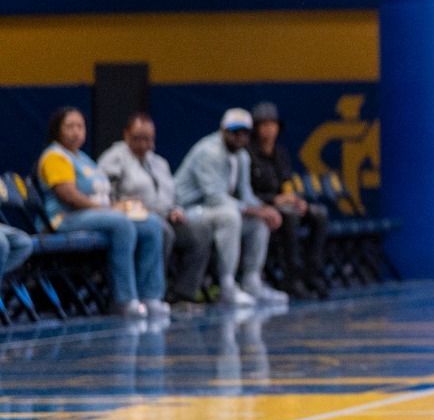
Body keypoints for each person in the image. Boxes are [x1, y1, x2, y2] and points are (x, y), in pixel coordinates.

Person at [37, 106, 169, 319]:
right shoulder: (55, 156)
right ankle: (124, 299)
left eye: (80, 126)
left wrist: (122, 205)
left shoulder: (83, 158)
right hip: (64, 219)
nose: (76, 131)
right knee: (121, 223)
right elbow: (68, 195)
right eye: (70, 126)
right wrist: (109, 210)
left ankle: (150, 296)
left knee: (151, 224)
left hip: (95, 217)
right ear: (58, 130)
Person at [176, 108, 286, 308]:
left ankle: (252, 280)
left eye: (244, 133)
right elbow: (216, 198)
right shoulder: (208, 152)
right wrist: (256, 210)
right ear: (223, 131)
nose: (239, 137)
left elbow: (246, 196)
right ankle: (227, 284)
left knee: (259, 221)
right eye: (234, 132)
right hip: (189, 210)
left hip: (212, 210)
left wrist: (265, 210)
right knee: (230, 216)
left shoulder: (242, 157)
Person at [99, 111, 209, 305]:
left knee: (199, 233)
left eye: (147, 140)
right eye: (137, 138)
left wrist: (176, 210)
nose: (142, 144)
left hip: (165, 214)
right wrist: (121, 206)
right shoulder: (113, 159)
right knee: (163, 232)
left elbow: (172, 194)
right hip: (134, 217)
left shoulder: (159, 163)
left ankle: (183, 294)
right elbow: (104, 194)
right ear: (126, 135)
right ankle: (151, 293)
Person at [247, 102, 328, 298]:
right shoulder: (247, 155)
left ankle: (313, 272)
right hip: (261, 205)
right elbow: (245, 192)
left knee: (318, 214)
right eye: (264, 124)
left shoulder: (280, 154)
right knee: (290, 216)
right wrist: (275, 200)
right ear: (256, 128)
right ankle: (292, 277)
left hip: (283, 203)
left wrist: (297, 199)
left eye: (272, 124)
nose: (269, 129)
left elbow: (287, 183)